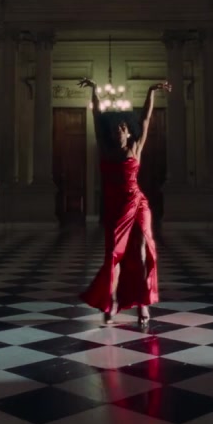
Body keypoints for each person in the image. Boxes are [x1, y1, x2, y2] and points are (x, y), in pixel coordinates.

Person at [78, 79, 171, 329]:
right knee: (114, 256)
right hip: (115, 207)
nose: (118, 131)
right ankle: (111, 302)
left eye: (122, 127)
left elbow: (145, 119)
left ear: (129, 131)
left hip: (138, 204)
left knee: (140, 253)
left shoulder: (136, 147)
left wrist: (151, 92)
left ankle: (143, 303)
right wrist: (95, 92)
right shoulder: (105, 149)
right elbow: (96, 117)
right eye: (115, 128)